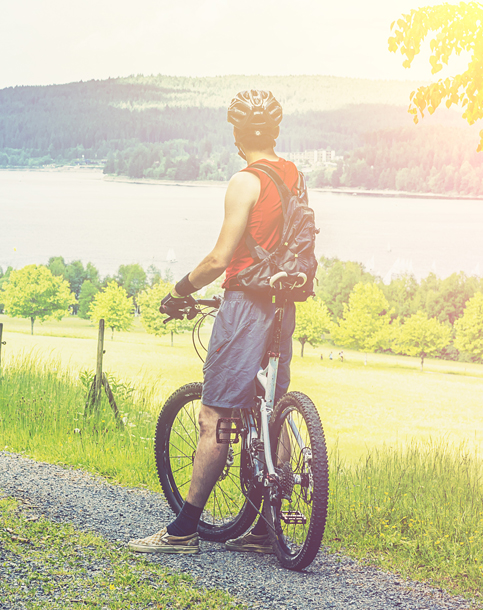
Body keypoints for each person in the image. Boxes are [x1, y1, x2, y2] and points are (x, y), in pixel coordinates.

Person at [127, 90, 298, 555]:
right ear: (276, 132)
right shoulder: (292, 175)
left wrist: (180, 289)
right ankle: (267, 528)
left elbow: (220, 259)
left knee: (214, 415)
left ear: (238, 135)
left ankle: (182, 531)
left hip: (244, 305)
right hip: (283, 304)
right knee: (272, 412)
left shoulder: (246, 180)